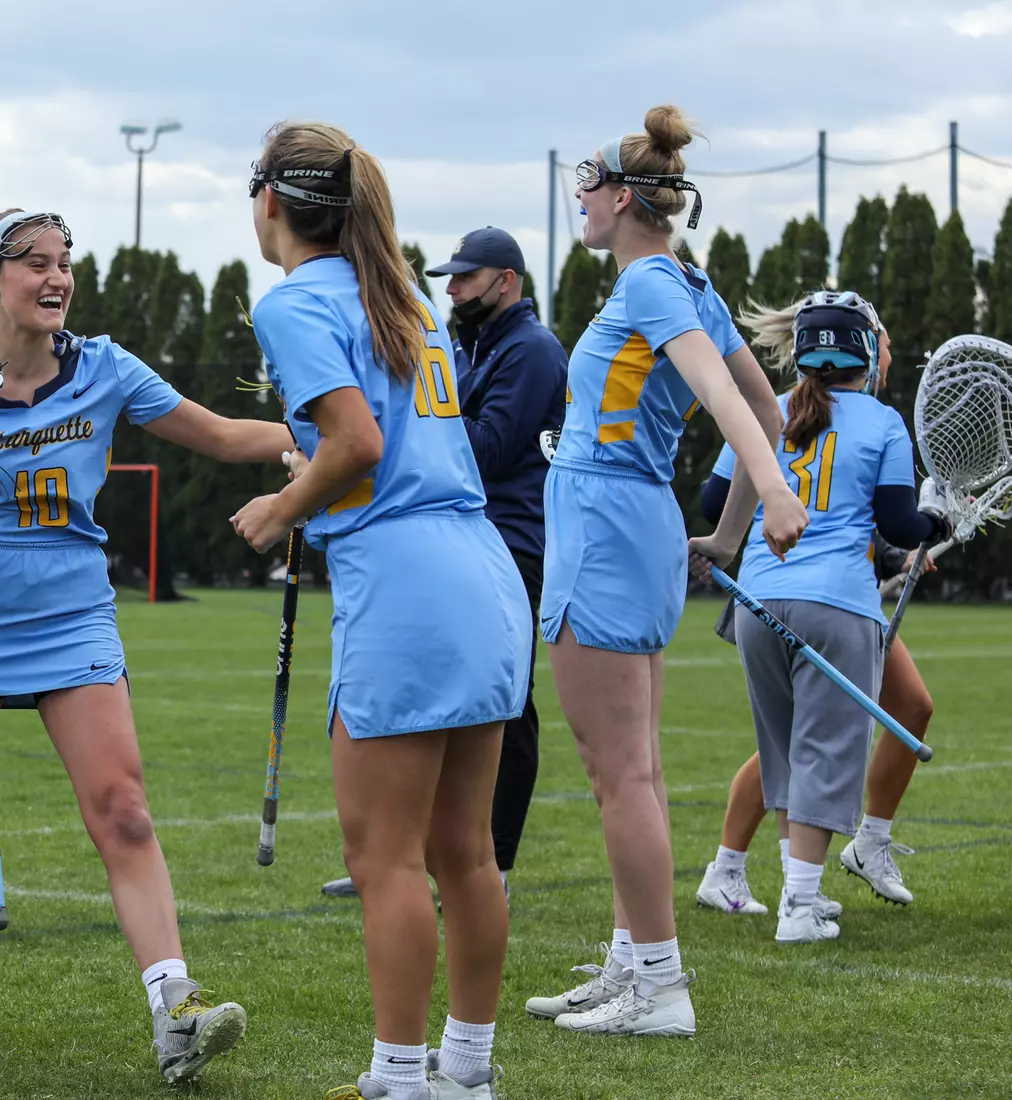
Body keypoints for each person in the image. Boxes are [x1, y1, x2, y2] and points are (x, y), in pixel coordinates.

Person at [0, 209, 292, 1085]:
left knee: (123, 810)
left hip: (74, 616)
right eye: (33, 264)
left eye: (64, 264)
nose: (56, 279)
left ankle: (175, 1007)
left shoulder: (106, 369)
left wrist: (316, 436)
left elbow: (227, 436)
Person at [230, 122, 528, 1100]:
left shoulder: (295, 302)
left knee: (384, 858)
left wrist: (283, 505)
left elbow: (355, 441)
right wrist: (314, 470)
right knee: (466, 849)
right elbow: (374, 440)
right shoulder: (396, 291)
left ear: (270, 201)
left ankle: (399, 1077)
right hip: (480, 572)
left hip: (405, 585)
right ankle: (466, 1072)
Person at [524, 106, 807, 1038]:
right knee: (634, 770)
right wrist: (724, 540)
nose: (578, 199)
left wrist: (766, 497)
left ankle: (659, 986)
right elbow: (771, 410)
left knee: (622, 777)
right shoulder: (683, 280)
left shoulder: (650, 281)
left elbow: (736, 407)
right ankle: (631, 964)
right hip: (634, 523)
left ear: (621, 198)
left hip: (606, 522)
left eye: (586, 185)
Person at [689, 291, 949, 942]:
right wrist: (935, 520)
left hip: (759, 600)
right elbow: (897, 519)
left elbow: (714, 497)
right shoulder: (882, 422)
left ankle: (794, 895)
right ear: (863, 349)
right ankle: (799, 907)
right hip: (836, 605)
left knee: (784, 753)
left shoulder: (770, 410)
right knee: (827, 753)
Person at [320, 227, 565, 904]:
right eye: (449, 277)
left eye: (466, 277)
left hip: (508, 541)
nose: (451, 288)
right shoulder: (466, 346)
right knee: (427, 700)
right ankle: (405, 853)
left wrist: (401, 440)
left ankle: (493, 864)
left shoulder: (532, 349)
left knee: (504, 707)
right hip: (458, 542)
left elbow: (482, 451)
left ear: (507, 281)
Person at [696, 548, 936, 917]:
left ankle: (870, 841)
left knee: (912, 707)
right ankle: (732, 870)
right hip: (805, 594)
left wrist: (902, 548)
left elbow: (855, 508)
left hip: (844, 592)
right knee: (791, 741)